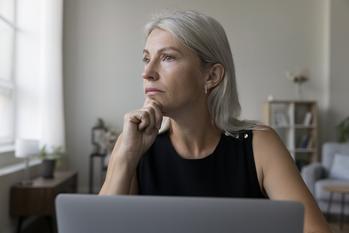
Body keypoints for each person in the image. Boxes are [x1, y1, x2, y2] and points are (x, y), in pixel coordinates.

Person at [99, 10, 332, 233]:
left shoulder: (260, 145)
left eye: (167, 57)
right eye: (146, 58)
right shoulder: (133, 148)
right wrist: (124, 158)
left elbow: (314, 229)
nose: (147, 72)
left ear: (211, 76)